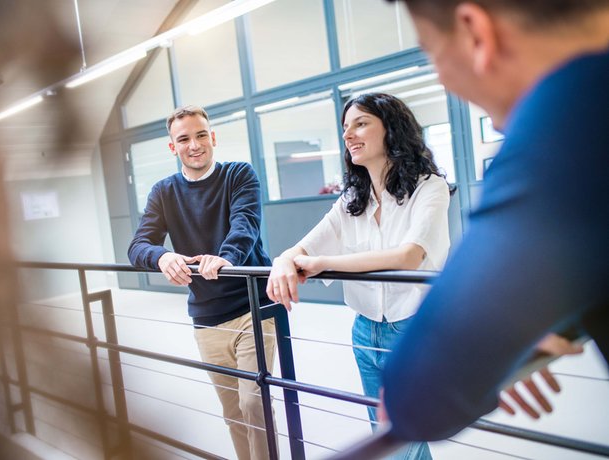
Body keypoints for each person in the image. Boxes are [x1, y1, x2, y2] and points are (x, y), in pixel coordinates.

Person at [378, 0, 609, 443]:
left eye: (431, 52)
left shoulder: (572, 118)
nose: (442, 76)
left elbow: (414, 399)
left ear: (476, 32)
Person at [267, 93, 451, 460]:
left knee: (405, 437)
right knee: (388, 436)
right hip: (365, 330)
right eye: (345, 127)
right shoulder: (352, 198)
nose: (349, 134)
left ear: (392, 129)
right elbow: (300, 249)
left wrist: (322, 262)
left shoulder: (429, 187)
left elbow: (408, 256)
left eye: (361, 123)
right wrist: (283, 262)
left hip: (414, 327)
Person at [128, 105, 277, 460]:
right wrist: (162, 256)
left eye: (200, 135)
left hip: (252, 308)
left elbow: (245, 225)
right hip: (207, 318)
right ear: (172, 147)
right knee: (233, 415)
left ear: (213, 137)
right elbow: (138, 245)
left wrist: (225, 258)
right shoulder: (164, 192)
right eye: (183, 139)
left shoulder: (239, 175)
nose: (194, 145)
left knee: (253, 403)